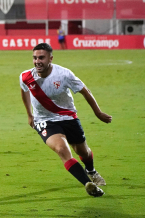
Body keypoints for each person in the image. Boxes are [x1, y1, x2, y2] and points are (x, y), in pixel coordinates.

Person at [20, 43, 112, 197]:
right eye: (35, 58)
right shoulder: (26, 76)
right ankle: (88, 184)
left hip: (68, 117)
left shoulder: (64, 74)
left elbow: (85, 91)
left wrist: (98, 113)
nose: (37, 61)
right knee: (62, 150)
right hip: (44, 120)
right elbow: (24, 91)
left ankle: (91, 171)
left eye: (41, 57)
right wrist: (29, 114)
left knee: (83, 151)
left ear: (50, 58)